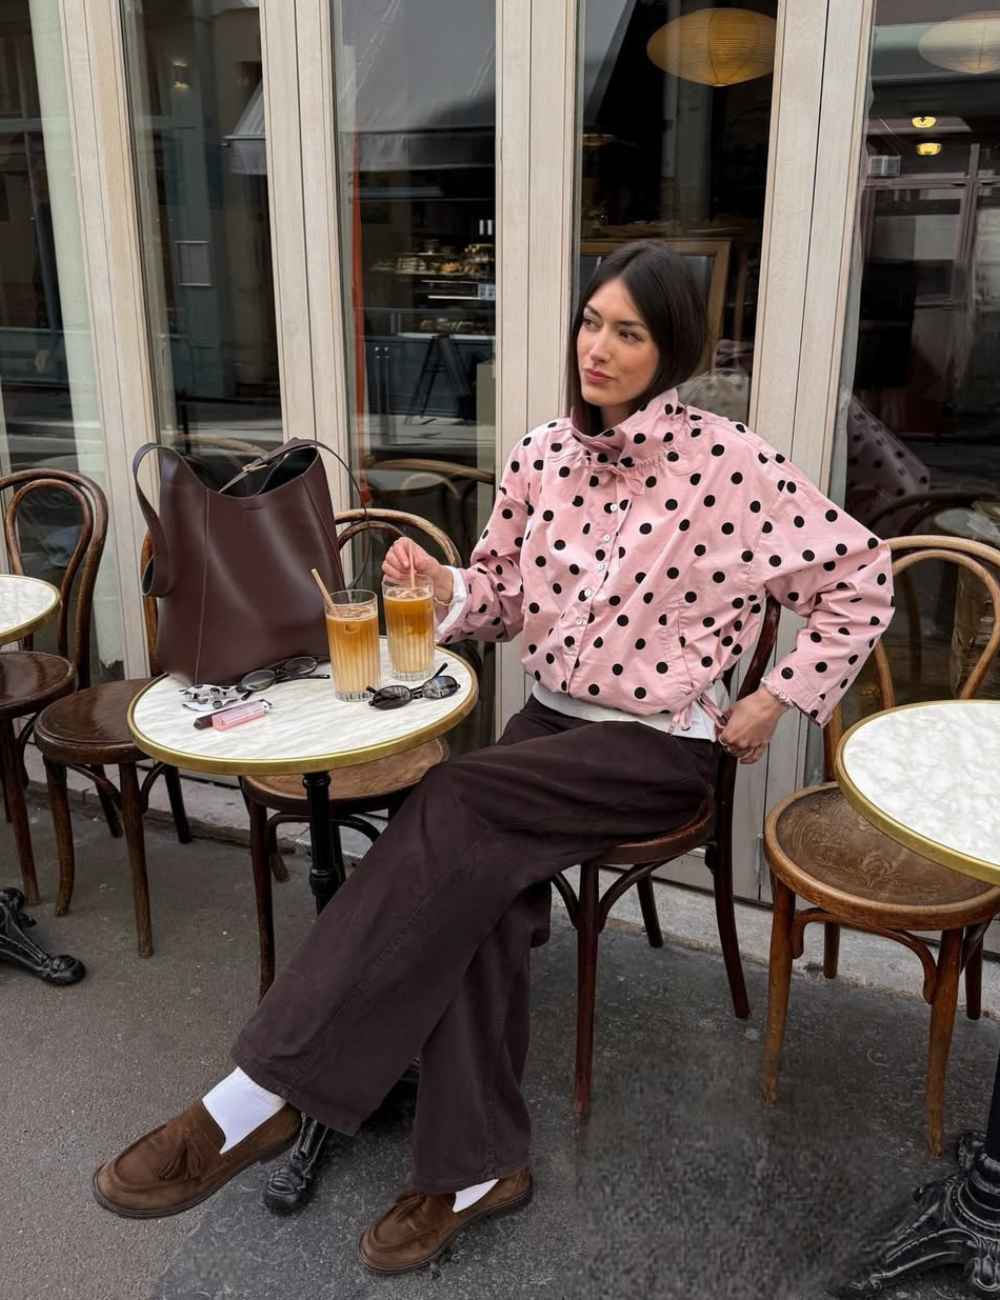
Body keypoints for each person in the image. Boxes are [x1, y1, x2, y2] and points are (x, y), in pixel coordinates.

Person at [92, 241, 894, 1273]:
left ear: (672, 350)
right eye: (591, 321)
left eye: (629, 332)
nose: (598, 347)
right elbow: (503, 600)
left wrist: (778, 698)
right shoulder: (538, 456)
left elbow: (862, 579)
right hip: (546, 730)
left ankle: (260, 1094)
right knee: (479, 893)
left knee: (451, 798)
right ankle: (476, 1170)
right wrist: (446, 587)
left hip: (656, 746)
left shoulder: (731, 464)